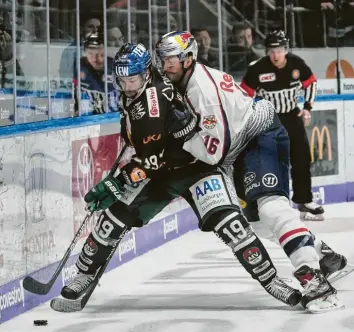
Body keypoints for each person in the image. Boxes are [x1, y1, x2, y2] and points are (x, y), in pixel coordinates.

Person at [60, 42, 302, 308]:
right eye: (123, 80)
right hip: (163, 170)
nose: (128, 86)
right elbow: (143, 151)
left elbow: (150, 160)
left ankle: (272, 281)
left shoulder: (153, 103)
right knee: (113, 219)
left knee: (232, 225)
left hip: (196, 167)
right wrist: (120, 179)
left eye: (133, 79)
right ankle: (83, 275)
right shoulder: (139, 92)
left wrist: (118, 182)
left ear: (146, 73)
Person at [155, 30, 344, 313]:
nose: (165, 66)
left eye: (170, 60)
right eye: (163, 60)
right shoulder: (184, 80)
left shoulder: (201, 91)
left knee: (271, 207)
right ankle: (326, 256)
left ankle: (313, 278)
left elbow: (213, 152)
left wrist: (183, 136)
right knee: (255, 223)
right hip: (239, 147)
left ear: (188, 59)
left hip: (259, 135)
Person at [239, 30, 323, 221]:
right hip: (268, 120)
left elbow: (311, 83)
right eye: (271, 51)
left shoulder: (297, 64)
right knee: (270, 163)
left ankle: (304, 200)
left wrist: (308, 107)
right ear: (267, 51)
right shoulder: (257, 68)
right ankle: (268, 205)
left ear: (285, 49)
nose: (276, 55)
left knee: (301, 159)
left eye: (279, 50)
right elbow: (243, 94)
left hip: (293, 117)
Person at [73, 30, 118, 115]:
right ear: (84, 54)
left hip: (115, 121)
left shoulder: (115, 68)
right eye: (92, 55)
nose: (99, 60)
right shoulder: (79, 68)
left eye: (102, 55)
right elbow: (74, 92)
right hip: (90, 120)